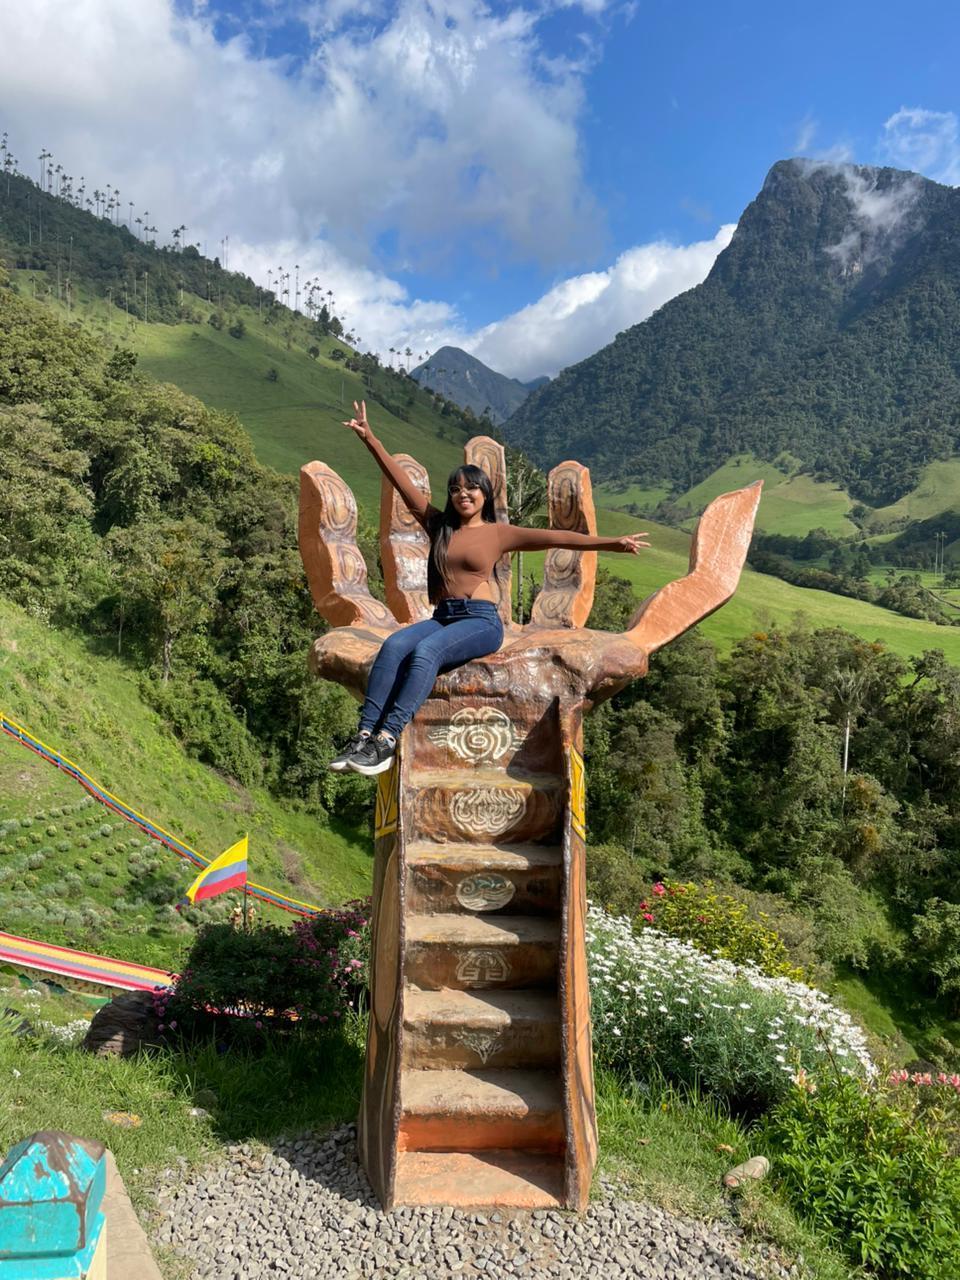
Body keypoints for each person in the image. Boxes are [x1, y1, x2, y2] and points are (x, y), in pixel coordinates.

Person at [328, 401, 650, 776]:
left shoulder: (499, 533)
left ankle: (386, 739)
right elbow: (402, 483)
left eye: (471, 488)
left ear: (484, 494)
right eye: (455, 489)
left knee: (425, 653)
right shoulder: (439, 526)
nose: (462, 494)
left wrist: (613, 543)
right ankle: (364, 736)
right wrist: (370, 439)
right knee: (394, 646)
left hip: (480, 622)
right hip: (443, 617)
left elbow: (558, 536)